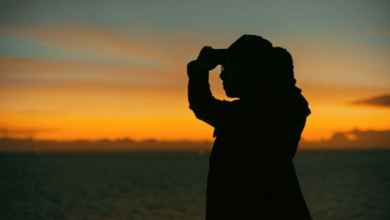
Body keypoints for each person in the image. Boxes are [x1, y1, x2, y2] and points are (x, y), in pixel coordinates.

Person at [187, 35, 312, 219]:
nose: (222, 74)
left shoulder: (254, 118)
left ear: (249, 69)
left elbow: (202, 105)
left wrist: (200, 69)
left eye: (227, 66)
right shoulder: (278, 112)